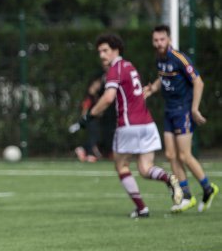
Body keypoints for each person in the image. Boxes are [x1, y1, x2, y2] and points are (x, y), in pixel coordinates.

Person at [79, 33, 182, 218]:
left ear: (116, 50)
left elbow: (109, 97)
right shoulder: (129, 66)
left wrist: (90, 115)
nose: (102, 55)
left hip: (128, 125)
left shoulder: (115, 69)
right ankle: (169, 178)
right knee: (145, 168)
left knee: (121, 166)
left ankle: (141, 208)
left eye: (105, 50)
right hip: (147, 124)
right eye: (99, 51)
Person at [144, 25, 218, 213]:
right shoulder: (158, 59)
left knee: (184, 155)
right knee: (170, 155)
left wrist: (194, 109)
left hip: (183, 110)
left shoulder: (179, 58)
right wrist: (152, 88)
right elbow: (163, 77)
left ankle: (208, 189)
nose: (159, 43)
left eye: (162, 39)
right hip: (169, 111)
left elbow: (198, 81)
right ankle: (186, 196)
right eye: (156, 40)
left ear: (169, 40)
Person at [74, 68, 105, 162]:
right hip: (90, 118)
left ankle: (83, 150)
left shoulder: (96, 95)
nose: (99, 85)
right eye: (97, 83)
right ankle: (90, 154)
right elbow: (86, 106)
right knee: (93, 136)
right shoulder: (90, 94)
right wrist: (84, 118)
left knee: (95, 136)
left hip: (94, 118)